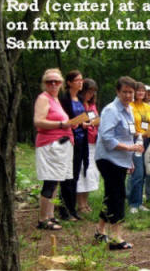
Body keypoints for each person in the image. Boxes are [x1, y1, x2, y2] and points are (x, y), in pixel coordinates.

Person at [94, 76, 144, 250]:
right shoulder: (111, 110)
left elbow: (129, 134)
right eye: (125, 92)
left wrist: (129, 159)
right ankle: (116, 238)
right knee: (118, 196)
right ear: (118, 91)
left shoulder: (129, 109)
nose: (128, 95)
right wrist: (131, 149)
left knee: (111, 194)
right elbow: (108, 139)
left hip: (121, 159)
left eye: (131, 92)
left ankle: (100, 231)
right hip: (108, 158)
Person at [34, 68, 73, 230]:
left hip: (61, 146)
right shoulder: (43, 99)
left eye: (57, 81)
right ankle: (43, 219)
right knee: (49, 181)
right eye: (50, 81)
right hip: (49, 145)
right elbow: (38, 121)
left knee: (56, 180)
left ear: (61, 84)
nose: (53, 84)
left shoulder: (55, 99)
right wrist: (61, 124)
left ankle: (50, 215)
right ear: (44, 84)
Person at [127, 82, 150, 214]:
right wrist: (139, 133)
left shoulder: (148, 107)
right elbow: (129, 126)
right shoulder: (130, 106)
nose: (141, 93)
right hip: (136, 140)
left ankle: (139, 202)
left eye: (143, 91)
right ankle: (133, 203)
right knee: (138, 173)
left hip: (148, 140)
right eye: (138, 90)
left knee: (145, 172)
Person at [59, 70, 88, 221]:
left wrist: (85, 123)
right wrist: (75, 123)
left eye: (81, 80)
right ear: (69, 82)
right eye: (77, 80)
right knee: (67, 176)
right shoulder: (64, 99)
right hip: (69, 140)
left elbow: (82, 117)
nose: (80, 82)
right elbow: (64, 119)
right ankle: (64, 210)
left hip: (81, 140)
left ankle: (72, 208)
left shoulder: (81, 98)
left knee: (75, 174)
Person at [76, 78, 100, 213]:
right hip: (82, 141)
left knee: (90, 172)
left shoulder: (92, 105)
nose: (90, 94)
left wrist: (96, 121)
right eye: (88, 91)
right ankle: (80, 203)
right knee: (81, 171)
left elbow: (96, 119)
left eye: (93, 92)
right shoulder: (78, 104)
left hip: (93, 141)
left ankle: (86, 202)